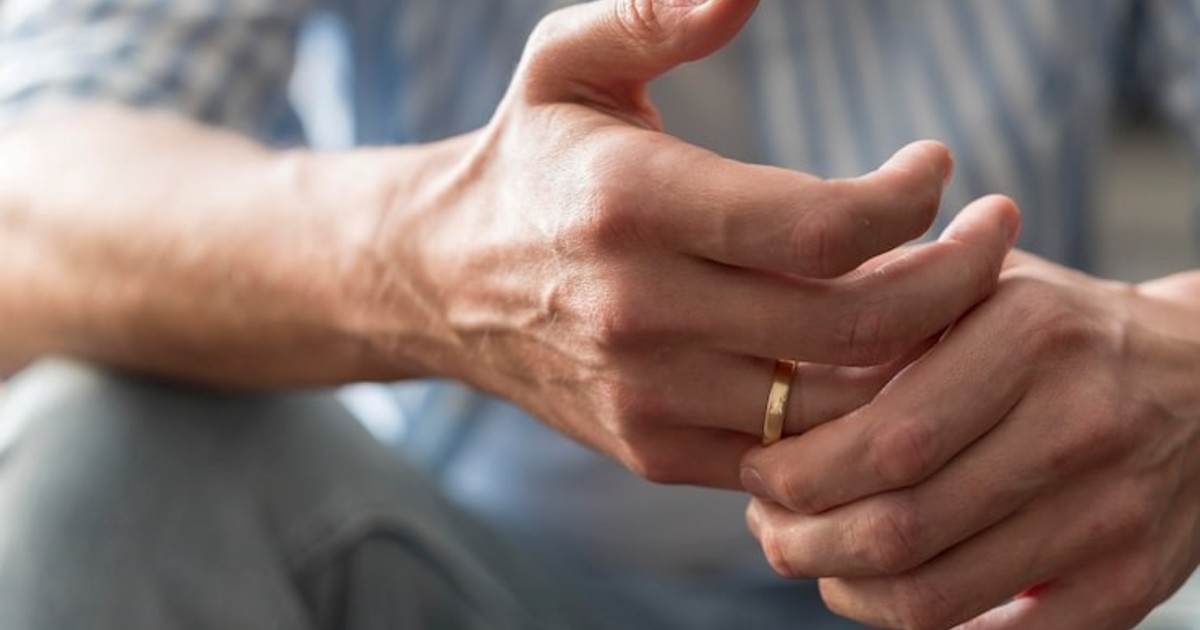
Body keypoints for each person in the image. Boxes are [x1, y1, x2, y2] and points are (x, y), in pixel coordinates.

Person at [0, 1, 1196, 629]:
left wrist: (1182, 362)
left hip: (1020, 579)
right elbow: (30, 197)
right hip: (473, 573)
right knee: (100, 454)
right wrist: (428, 256)